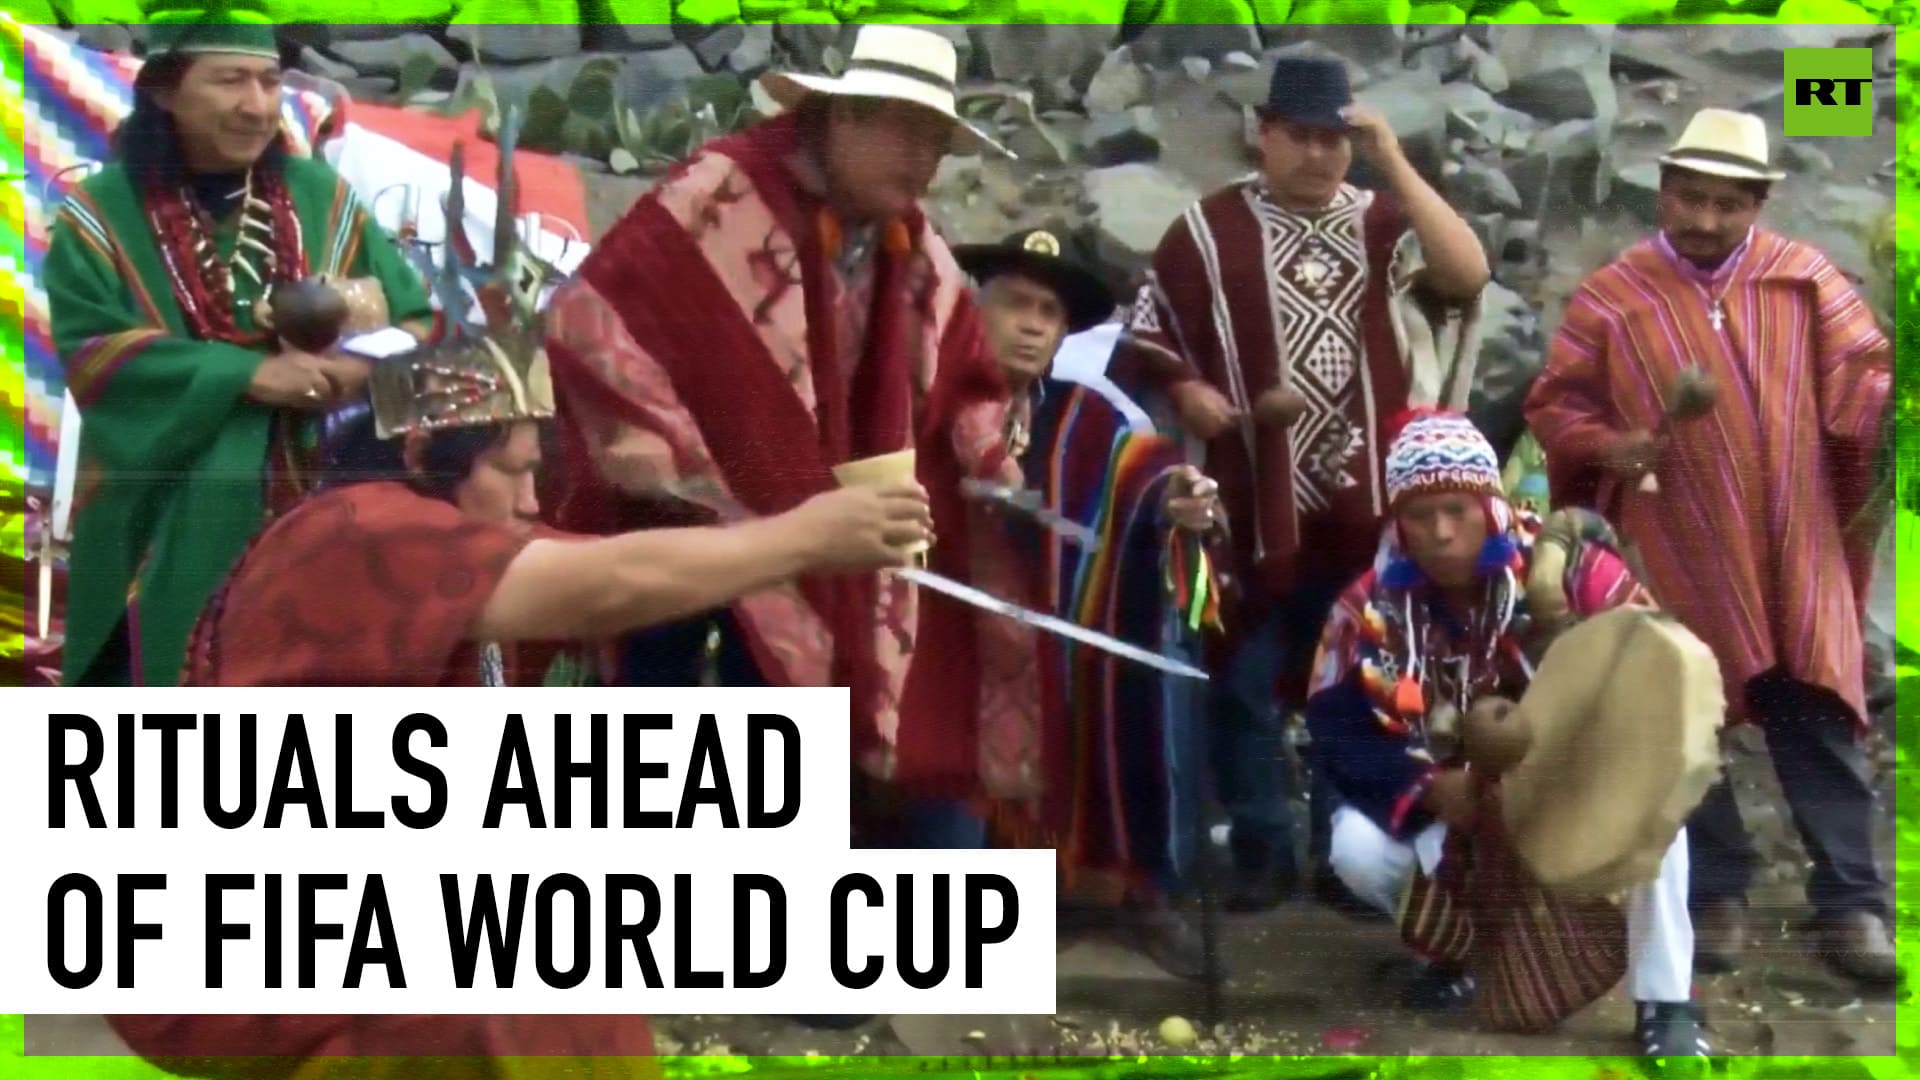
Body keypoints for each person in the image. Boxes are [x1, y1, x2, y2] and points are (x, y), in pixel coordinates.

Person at [117, 295, 932, 1080]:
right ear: (417, 456)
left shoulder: (413, 527)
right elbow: (604, 581)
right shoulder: (362, 526)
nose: (531, 499)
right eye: (511, 471)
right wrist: (803, 537)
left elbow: (601, 566)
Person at [541, 25, 1037, 855]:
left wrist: (990, 451)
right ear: (843, 119)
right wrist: (653, 436)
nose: (923, 162)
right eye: (906, 133)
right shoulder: (718, 194)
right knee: (659, 733)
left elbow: (962, 366)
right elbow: (589, 314)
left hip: (817, 531)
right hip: (682, 520)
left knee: (779, 741)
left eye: (938, 143)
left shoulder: (906, 238)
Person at [1523, 108, 1896, 985]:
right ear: (1663, 191)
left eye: (1728, 204)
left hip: (1791, 537)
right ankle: (1715, 888)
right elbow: (1555, 403)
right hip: (1675, 541)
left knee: (1816, 711)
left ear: (1760, 203)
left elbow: (1864, 385)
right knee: (1689, 719)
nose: (1704, 219)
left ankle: (1852, 902)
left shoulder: (1804, 280)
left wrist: (1894, 397)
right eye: (1690, 197)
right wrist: (1614, 447)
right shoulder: (1615, 296)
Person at [1117, 56, 1491, 910]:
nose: (1321, 155)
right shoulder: (1207, 231)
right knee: (1243, 680)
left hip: (1370, 507)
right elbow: (1150, 326)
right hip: (1254, 499)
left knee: (1361, 684)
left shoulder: (1383, 221)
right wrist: (1189, 391)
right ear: (1265, 133)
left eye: (1336, 139)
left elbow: (1467, 276)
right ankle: (1262, 849)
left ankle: (1349, 850)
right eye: (1302, 136)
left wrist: (1392, 158)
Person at [43, 1, 433, 690]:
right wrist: (247, 376)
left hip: (323, 500)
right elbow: (95, 354)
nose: (259, 106)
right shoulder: (100, 214)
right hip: (158, 514)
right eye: (230, 81)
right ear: (164, 90)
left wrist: (354, 366)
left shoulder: (320, 195)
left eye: (270, 82)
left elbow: (419, 319)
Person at [1305, 409, 1710, 1059]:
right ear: (1397, 522)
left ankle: (1665, 1002)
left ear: (1490, 505)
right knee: (1354, 847)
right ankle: (1466, 956)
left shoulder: (1578, 575)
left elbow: (1662, 675)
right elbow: (1336, 730)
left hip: (1579, 786)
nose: (1440, 533)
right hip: (1459, 807)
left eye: (1458, 510)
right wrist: (1434, 789)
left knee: (1660, 816)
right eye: (1420, 514)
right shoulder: (1368, 607)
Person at [953, 226, 1223, 979]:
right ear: (974, 310)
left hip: (1051, 645)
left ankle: (1112, 888)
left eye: (1051, 311)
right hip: (943, 639)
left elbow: (1148, 476)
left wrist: (1181, 502)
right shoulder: (921, 399)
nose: (1036, 324)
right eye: (1017, 303)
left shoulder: (1084, 417)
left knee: (1139, 655)